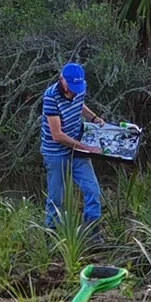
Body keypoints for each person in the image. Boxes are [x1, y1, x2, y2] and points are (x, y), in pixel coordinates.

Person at [40, 62, 104, 227]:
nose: (74, 91)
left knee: (93, 191)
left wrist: (94, 118)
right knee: (56, 198)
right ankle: (52, 234)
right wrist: (87, 148)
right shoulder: (51, 97)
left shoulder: (79, 88)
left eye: (78, 86)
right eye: (72, 86)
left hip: (78, 149)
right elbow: (57, 135)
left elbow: (80, 104)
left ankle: (92, 232)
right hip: (56, 152)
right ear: (62, 79)